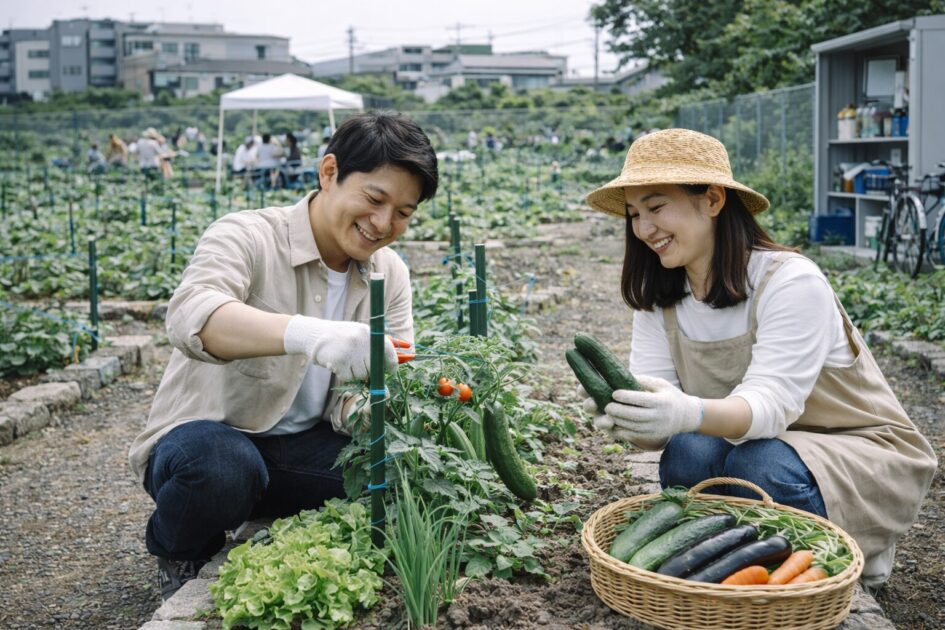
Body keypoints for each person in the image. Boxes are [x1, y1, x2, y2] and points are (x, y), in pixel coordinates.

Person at [581, 128, 936, 592]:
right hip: (757, 445)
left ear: (711, 200)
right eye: (633, 214)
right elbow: (663, 425)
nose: (644, 229)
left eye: (656, 207)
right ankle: (732, 580)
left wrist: (684, 411)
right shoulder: (659, 297)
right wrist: (632, 416)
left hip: (855, 449)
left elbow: (771, 406)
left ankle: (841, 554)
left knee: (761, 461)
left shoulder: (790, 281)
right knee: (688, 449)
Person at [128, 111, 439, 601]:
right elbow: (193, 317)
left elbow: (371, 392)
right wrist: (309, 335)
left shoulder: (388, 273)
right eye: (375, 199)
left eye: (403, 213)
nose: (383, 224)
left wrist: (384, 405)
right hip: (212, 439)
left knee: (406, 467)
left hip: (302, 448)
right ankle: (179, 545)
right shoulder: (246, 236)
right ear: (330, 172)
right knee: (221, 472)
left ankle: (260, 505)